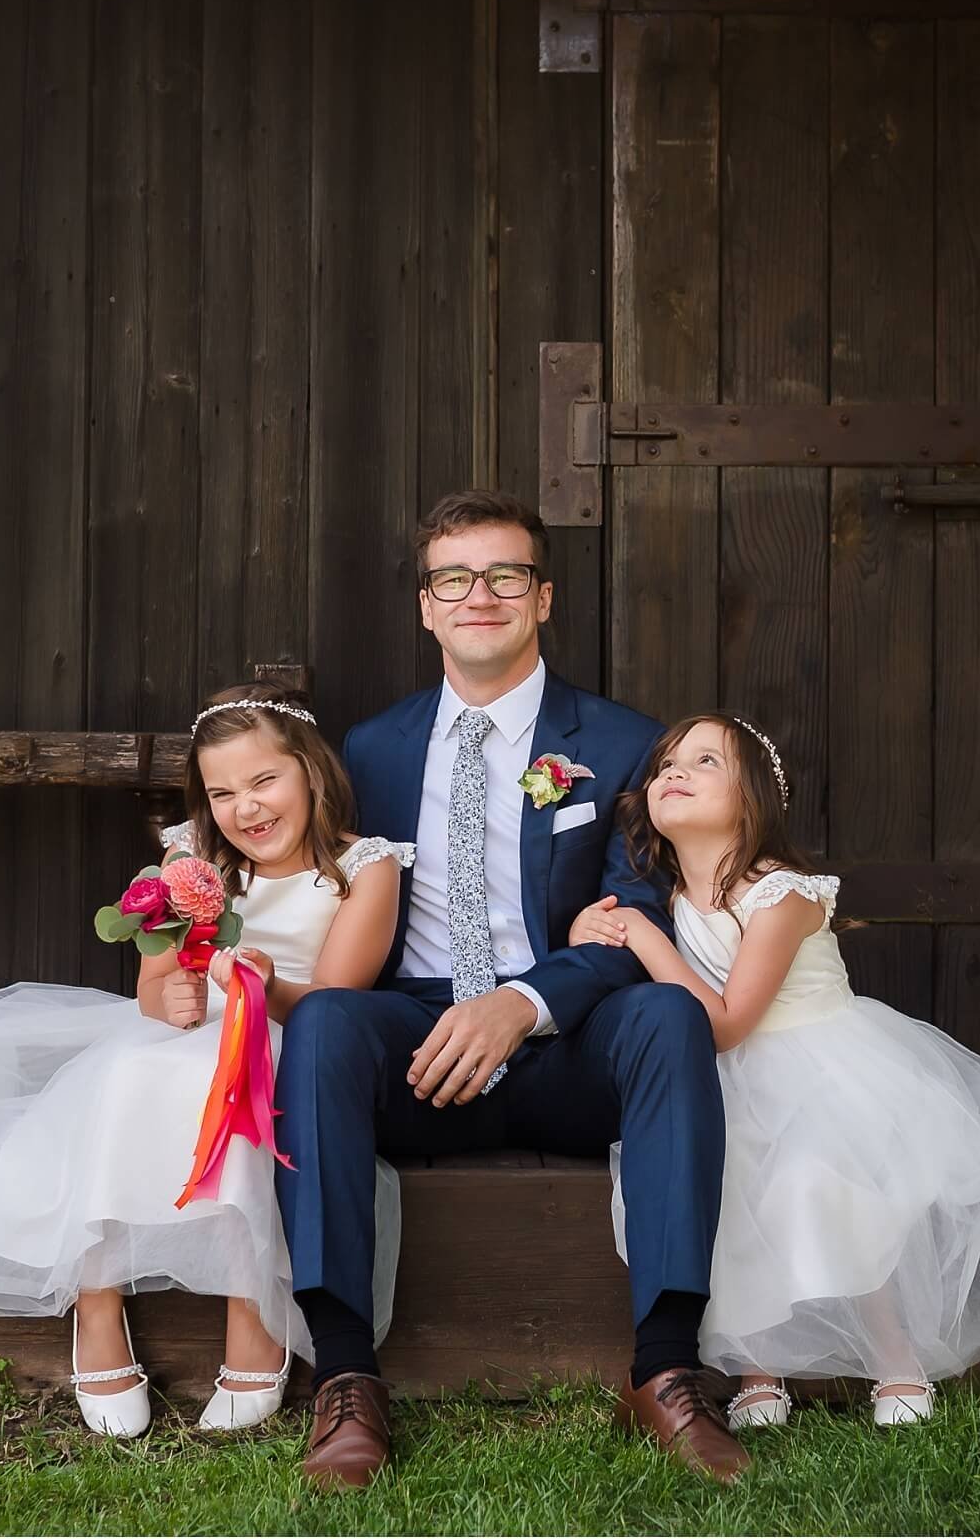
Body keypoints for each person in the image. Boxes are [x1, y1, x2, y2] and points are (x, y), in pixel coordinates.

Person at [277, 489, 750, 1489]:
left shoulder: (623, 743)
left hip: (565, 1037)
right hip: (416, 1042)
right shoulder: (367, 751)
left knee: (666, 1012)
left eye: (503, 576)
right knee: (321, 1023)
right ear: (425, 606)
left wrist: (525, 1000)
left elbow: (644, 914)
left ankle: (664, 1368)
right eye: (454, 578)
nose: (477, 595)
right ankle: (346, 1377)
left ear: (543, 598)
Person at [0, 682, 412, 1437]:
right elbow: (153, 985)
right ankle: (98, 1298)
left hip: (294, 1031)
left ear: (312, 772)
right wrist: (171, 999)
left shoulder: (365, 867)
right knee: (132, 1069)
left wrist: (260, 982)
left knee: (241, 1081)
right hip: (189, 1029)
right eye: (221, 792)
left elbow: (337, 1004)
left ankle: (250, 1309)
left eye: (263, 781)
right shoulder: (194, 859)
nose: (245, 808)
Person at [570, 715, 980, 1430]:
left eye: (705, 760)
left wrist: (641, 938)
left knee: (833, 1194)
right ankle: (758, 1371)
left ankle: (896, 1360)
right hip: (732, 1078)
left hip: (819, 1065)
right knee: (732, 1201)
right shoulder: (674, 896)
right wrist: (597, 927)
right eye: (668, 761)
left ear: (753, 798)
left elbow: (731, 1018)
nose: (674, 770)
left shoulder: (782, 892)